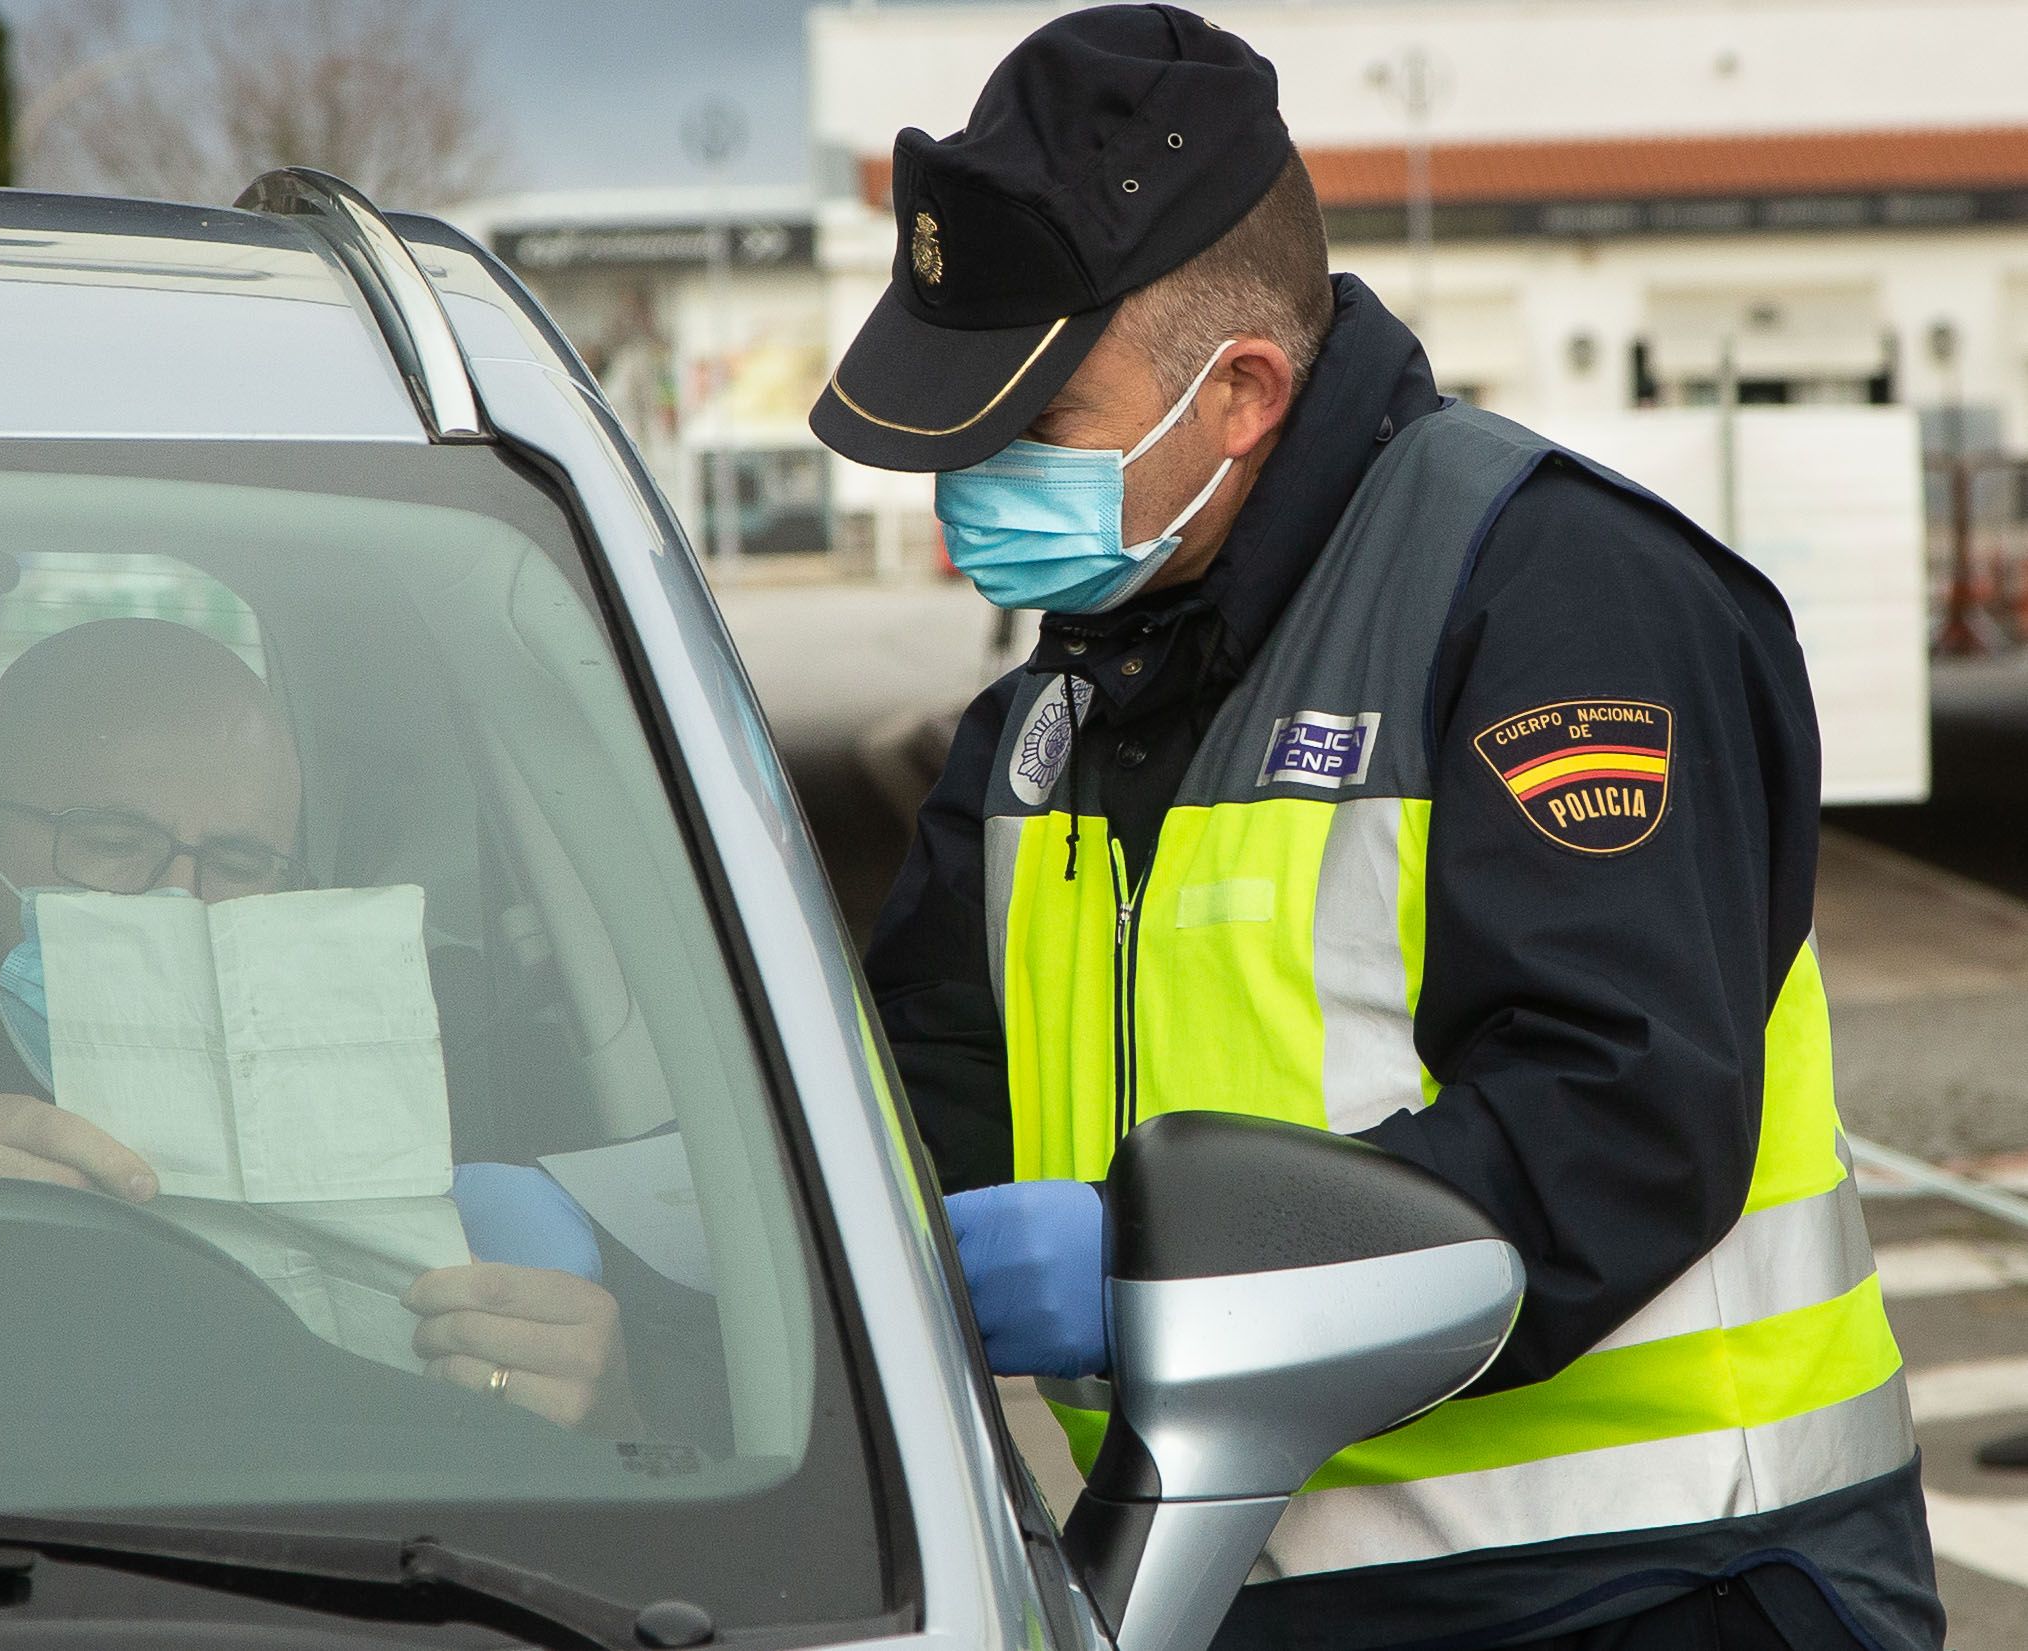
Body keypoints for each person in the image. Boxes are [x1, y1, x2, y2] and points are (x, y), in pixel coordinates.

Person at [811, 8, 1940, 1649]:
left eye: (1026, 430)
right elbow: (905, 1111)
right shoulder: (1050, 730)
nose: (965, 483)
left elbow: (1610, 1125)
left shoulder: (1555, 608)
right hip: (1234, 1590)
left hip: (1652, 1587)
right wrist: (674, 1231)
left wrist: (1151, 1271)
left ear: (1242, 393)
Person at [0, 617, 651, 1436]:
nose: (177, 905)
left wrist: (603, 1416)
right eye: (112, 842)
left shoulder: (438, 1093)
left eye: (238, 861)